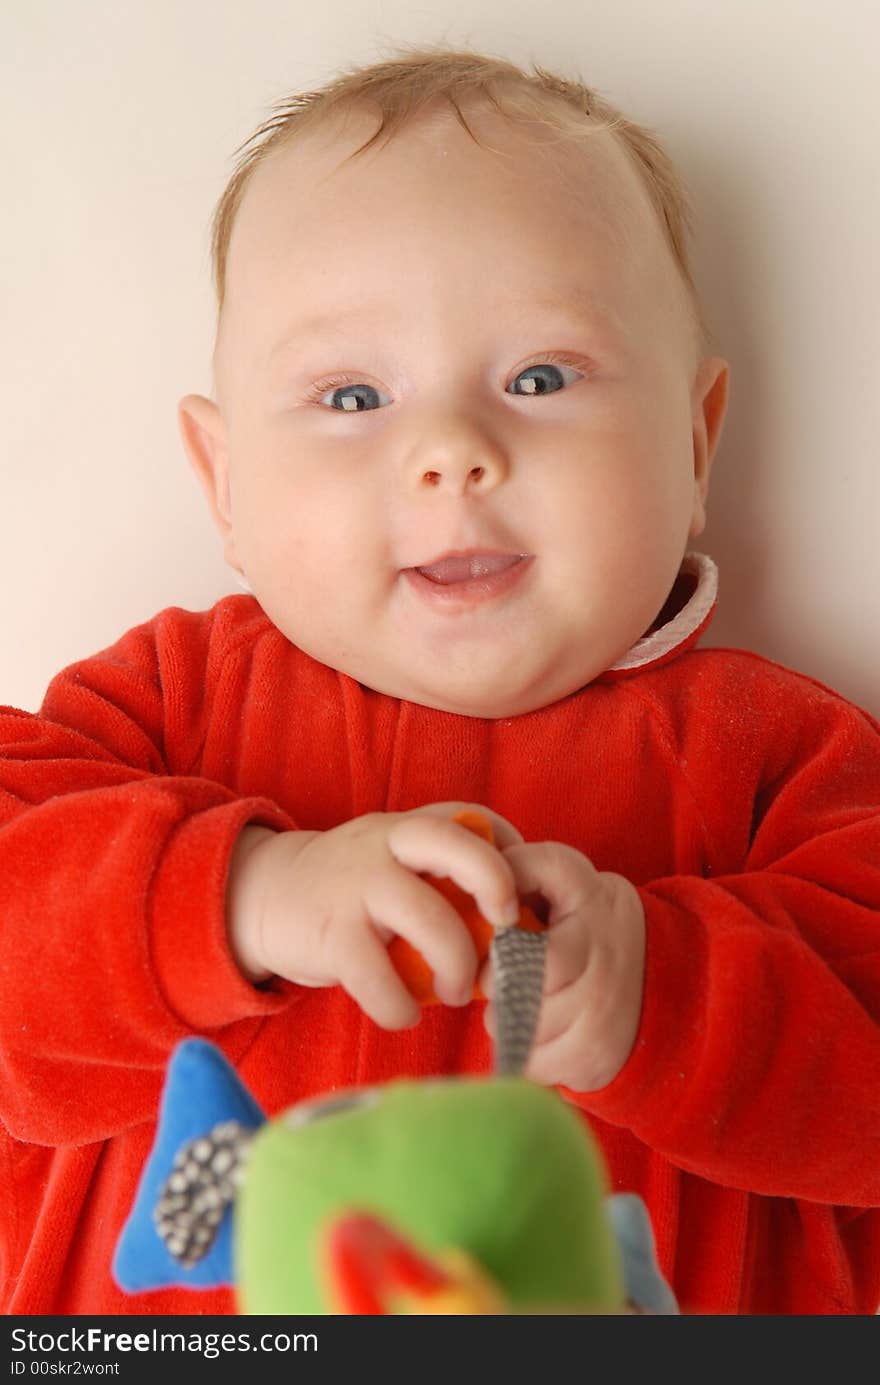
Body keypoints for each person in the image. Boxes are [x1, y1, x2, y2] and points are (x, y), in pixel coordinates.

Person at [2, 45, 879, 1318]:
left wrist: (667, 987)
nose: (452, 453)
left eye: (538, 377)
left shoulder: (780, 751)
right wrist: (242, 895)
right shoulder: (167, 706)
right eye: (352, 393)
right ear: (225, 480)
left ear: (694, 444)